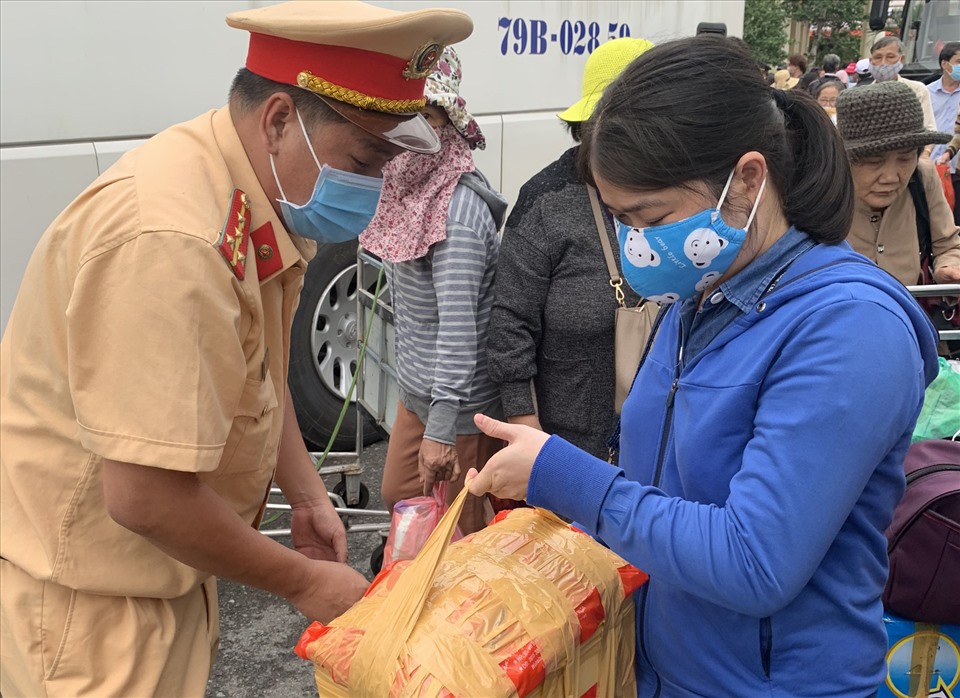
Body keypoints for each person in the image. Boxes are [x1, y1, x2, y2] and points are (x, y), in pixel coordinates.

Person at [0, 2, 472, 695]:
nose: (376, 189)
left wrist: (306, 493)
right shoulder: (174, 239)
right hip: (92, 603)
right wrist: (304, 580)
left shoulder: (254, 189)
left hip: (159, 577)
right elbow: (145, 497)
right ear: (279, 119)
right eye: (366, 160)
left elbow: (258, 368)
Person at [468, 35, 940, 695]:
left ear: (747, 179)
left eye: (648, 217)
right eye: (619, 221)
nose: (635, 243)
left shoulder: (850, 327)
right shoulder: (701, 296)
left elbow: (755, 560)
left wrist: (563, 475)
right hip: (666, 669)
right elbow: (659, 489)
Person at [360, 47, 507, 535]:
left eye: (424, 115)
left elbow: (460, 329)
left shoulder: (458, 213)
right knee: (400, 499)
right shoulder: (412, 194)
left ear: (447, 123)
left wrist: (442, 430)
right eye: (401, 117)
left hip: (459, 408)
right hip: (417, 395)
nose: (409, 133)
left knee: (460, 531)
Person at [486, 37, 652, 460]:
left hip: (658, 439)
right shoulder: (547, 200)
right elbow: (510, 320)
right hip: (568, 444)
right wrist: (526, 425)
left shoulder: (680, 193)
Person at [836, 81, 960, 288]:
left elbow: (947, 244)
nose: (891, 177)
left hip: (907, 308)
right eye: (874, 161)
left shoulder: (923, 176)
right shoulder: (820, 188)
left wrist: (947, 268)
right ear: (845, 159)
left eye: (905, 159)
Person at [868, 36, 937, 144]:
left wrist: (925, 155)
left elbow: (928, 129)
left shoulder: (917, 90)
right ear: (870, 61)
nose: (883, 63)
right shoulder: (862, 96)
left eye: (890, 57)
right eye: (878, 57)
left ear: (902, 59)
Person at [928, 41, 960, 224]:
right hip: (929, 166)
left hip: (955, 169)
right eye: (959, 61)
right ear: (944, 64)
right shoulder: (926, 92)